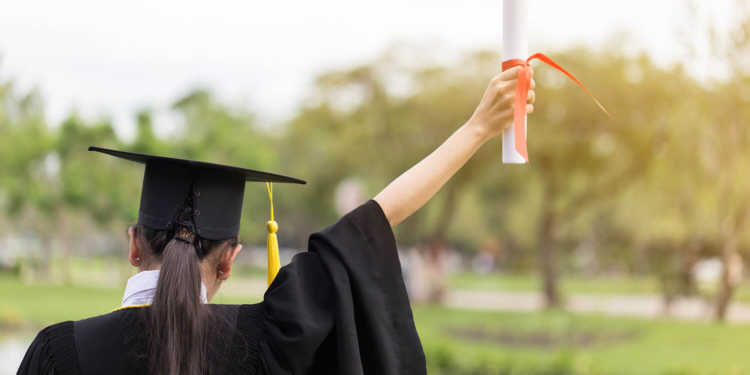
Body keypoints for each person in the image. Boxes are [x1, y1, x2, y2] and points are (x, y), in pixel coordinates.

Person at [17, 66, 536, 375]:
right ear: (229, 260)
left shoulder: (59, 353)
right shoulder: (271, 337)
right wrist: (476, 129)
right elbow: (373, 220)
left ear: (133, 245)